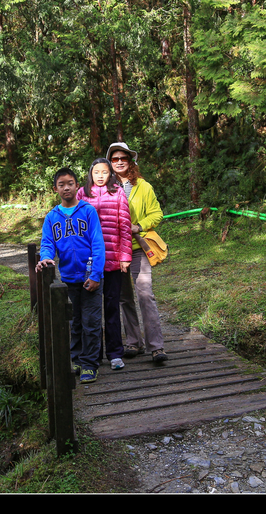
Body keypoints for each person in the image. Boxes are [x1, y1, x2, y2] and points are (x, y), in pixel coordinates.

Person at [36, 167, 106, 384]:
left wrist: (96, 275)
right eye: (61, 184)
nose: (66, 187)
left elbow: (98, 244)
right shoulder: (52, 217)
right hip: (68, 279)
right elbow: (47, 243)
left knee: (91, 322)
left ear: (77, 186)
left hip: (91, 278)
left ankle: (89, 365)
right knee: (74, 322)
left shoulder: (88, 211)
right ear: (55, 189)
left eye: (70, 183)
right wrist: (46, 258)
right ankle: (76, 359)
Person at [106, 142, 168, 365]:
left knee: (144, 294)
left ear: (130, 161)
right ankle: (133, 342)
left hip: (137, 249)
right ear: (110, 164)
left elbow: (156, 214)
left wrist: (139, 225)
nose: (120, 162)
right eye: (115, 159)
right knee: (124, 298)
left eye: (123, 158)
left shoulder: (143, 186)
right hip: (114, 250)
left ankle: (156, 347)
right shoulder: (105, 187)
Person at [77, 158, 133, 371]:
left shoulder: (118, 192)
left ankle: (115, 354)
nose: (100, 176)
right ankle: (93, 355)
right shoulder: (82, 193)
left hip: (113, 260)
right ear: (90, 173)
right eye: (96, 172)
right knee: (90, 311)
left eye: (105, 172)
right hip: (90, 262)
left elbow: (125, 226)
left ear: (110, 174)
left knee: (111, 307)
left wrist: (125, 255)